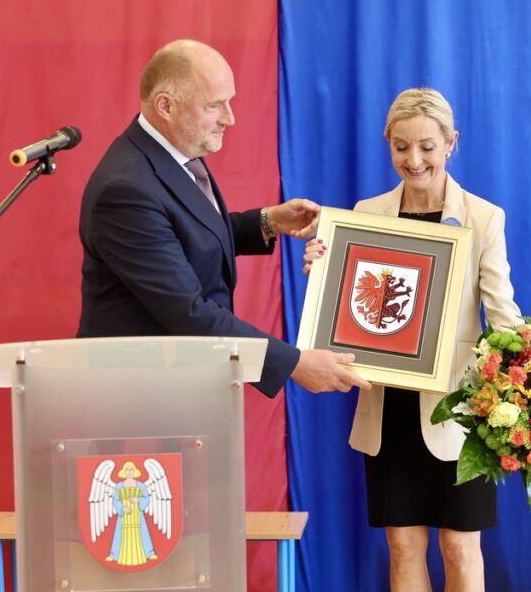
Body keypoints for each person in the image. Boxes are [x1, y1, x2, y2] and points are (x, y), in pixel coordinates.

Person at [304, 88, 521, 592]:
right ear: (387, 144)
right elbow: (346, 311)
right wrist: (321, 275)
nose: (415, 159)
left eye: (427, 146)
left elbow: (504, 318)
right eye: (402, 147)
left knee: (460, 550)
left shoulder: (484, 217)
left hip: (460, 412)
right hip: (389, 408)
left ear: (452, 143)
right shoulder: (364, 214)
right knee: (403, 549)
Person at [77, 39, 368, 397]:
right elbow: (187, 312)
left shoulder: (171, 151)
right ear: (166, 106)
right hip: (139, 395)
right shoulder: (125, 191)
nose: (230, 118)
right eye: (214, 106)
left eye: (229, 101)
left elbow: (184, 233)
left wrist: (268, 223)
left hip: (179, 384)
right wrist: (293, 363)